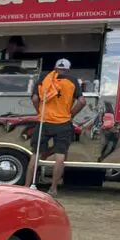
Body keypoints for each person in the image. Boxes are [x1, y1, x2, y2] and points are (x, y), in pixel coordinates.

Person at [24, 59, 85, 196]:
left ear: (55, 67)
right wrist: (71, 115)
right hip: (63, 123)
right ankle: (53, 189)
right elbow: (82, 101)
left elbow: (35, 99)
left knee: (36, 154)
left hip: (44, 121)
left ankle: (27, 186)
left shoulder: (44, 78)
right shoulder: (72, 81)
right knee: (60, 157)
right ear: (68, 70)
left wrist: (40, 112)